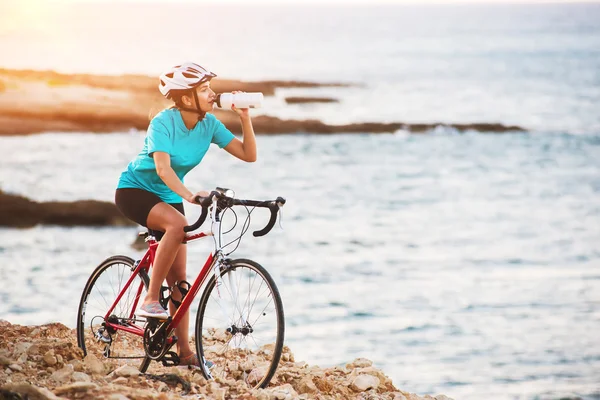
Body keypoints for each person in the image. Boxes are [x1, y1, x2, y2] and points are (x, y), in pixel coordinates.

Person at [114, 62, 257, 367]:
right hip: (135, 190)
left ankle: (186, 354)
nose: (212, 94)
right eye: (204, 89)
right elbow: (163, 169)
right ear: (187, 98)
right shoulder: (163, 123)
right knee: (177, 224)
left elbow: (248, 155)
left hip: (168, 196)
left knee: (180, 282)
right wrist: (191, 195)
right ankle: (150, 300)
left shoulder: (209, 124)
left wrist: (245, 118)